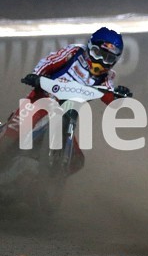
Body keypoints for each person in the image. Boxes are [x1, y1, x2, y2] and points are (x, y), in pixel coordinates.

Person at [0, 27, 132, 172]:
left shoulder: (107, 77)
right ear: (90, 47)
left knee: (77, 161)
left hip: (67, 113)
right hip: (40, 101)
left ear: (115, 60)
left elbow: (109, 96)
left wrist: (119, 96)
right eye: (98, 53)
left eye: (108, 58)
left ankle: (44, 186)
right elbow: (49, 61)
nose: (101, 61)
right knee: (10, 135)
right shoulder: (75, 52)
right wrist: (36, 75)